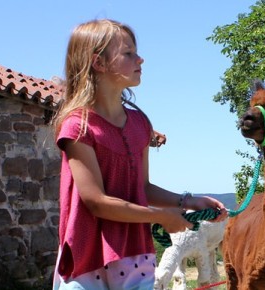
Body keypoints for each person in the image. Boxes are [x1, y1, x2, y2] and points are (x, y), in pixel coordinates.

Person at [50, 19, 228, 289]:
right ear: (99, 62)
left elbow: (142, 188)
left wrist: (189, 201)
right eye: (128, 53)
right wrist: (161, 216)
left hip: (134, 254)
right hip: (88, 259)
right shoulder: (78, 126)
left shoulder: (140, 124)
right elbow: (96, 201)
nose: (140, 59)